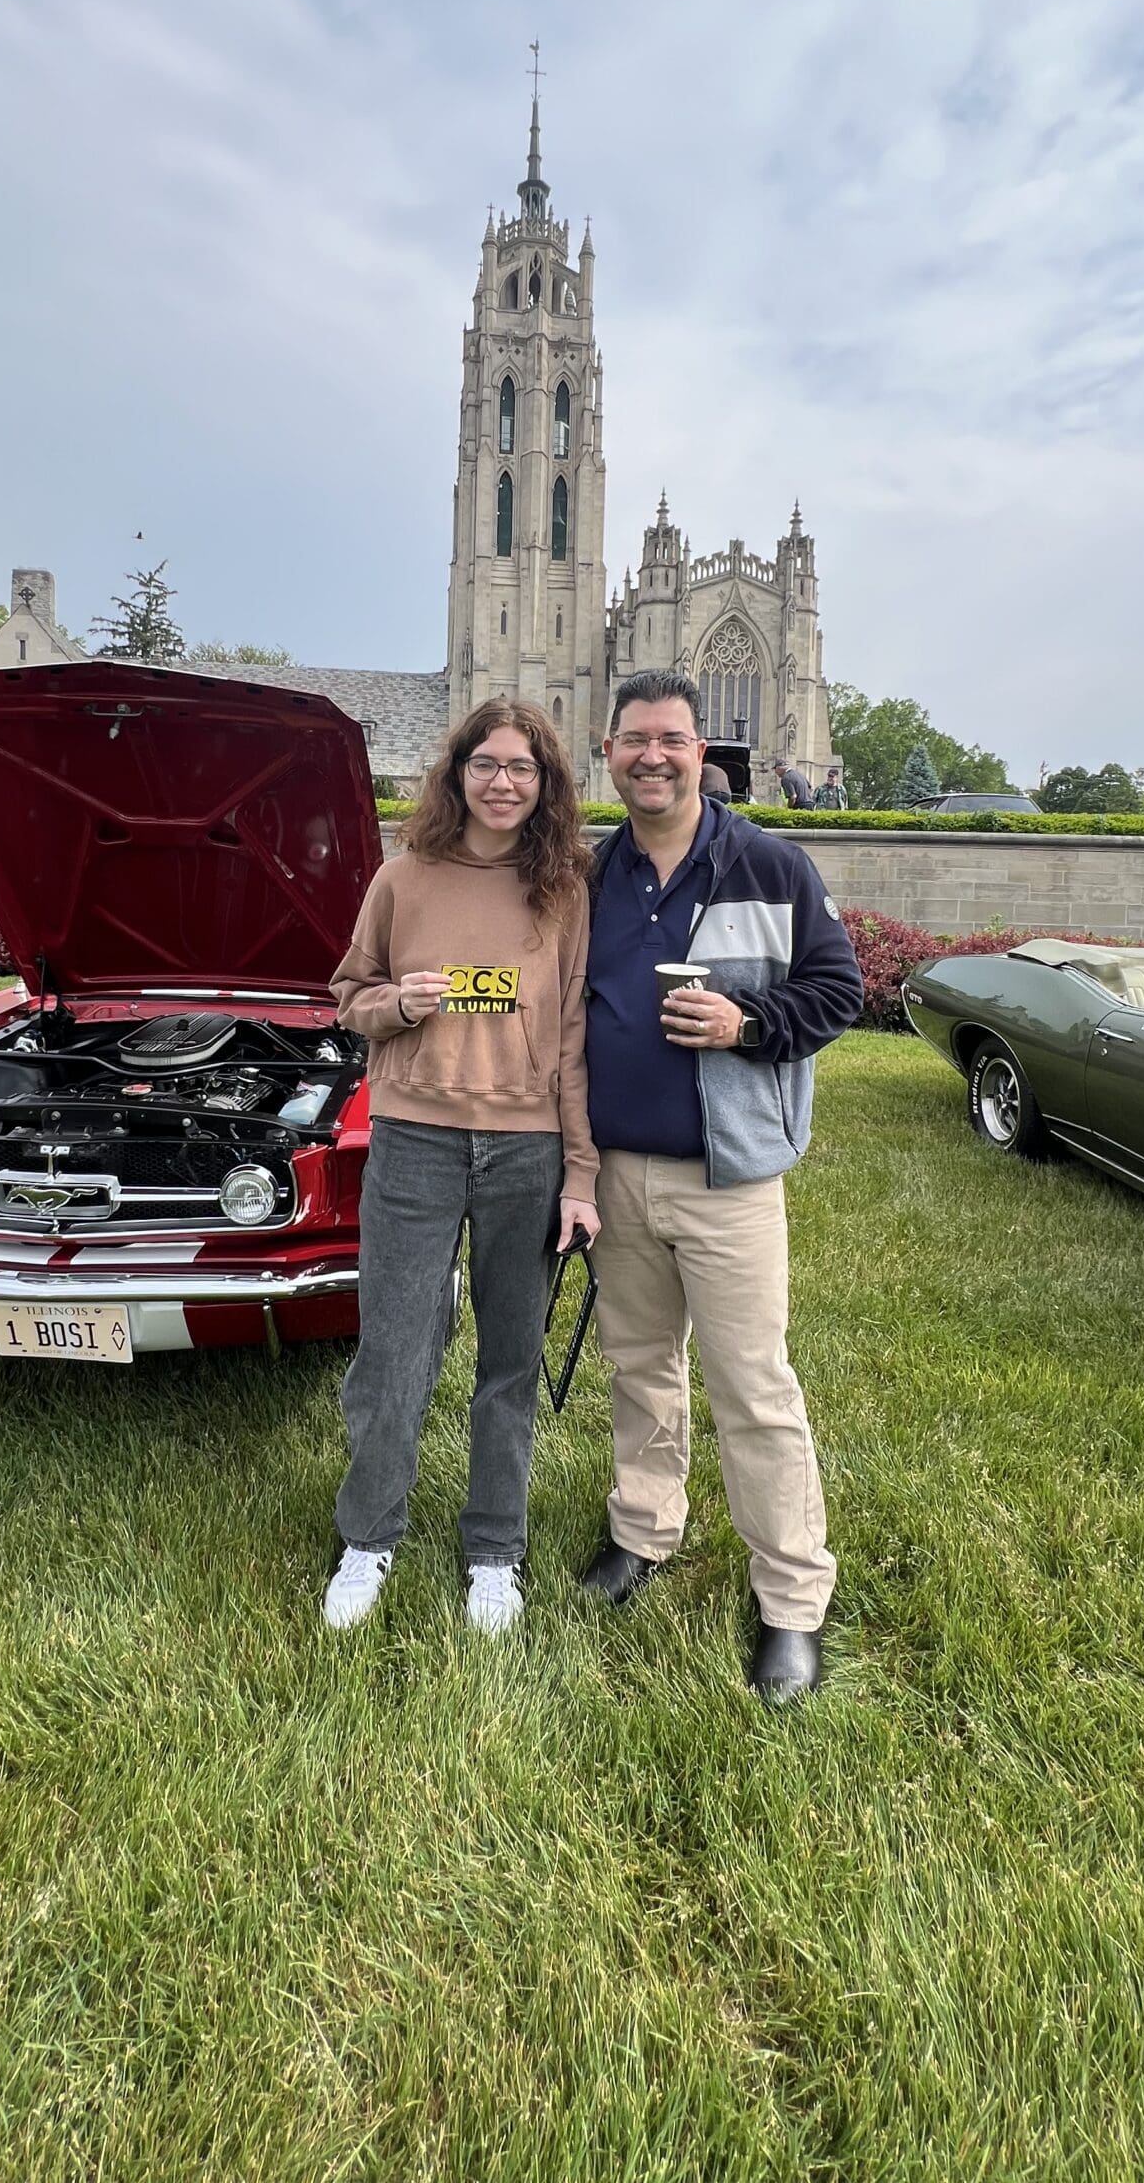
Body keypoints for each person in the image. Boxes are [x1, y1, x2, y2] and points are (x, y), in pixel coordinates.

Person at [578, 670, 864, 1703]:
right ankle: (642, 1532)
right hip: (614, 1172)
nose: (652, 755)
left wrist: (746, 1024)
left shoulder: (768, 864)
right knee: (640, 1366)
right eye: (634, 739)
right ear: (608, 752)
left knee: (754, 1386)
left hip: (727, 1179)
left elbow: (841, 990)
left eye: (671, 739)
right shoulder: (591, 876)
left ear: (705, 752)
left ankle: (791, 1602)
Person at [324, 699, 599, 1637]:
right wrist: (397, 1002)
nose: (503, 782)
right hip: (416, 1141)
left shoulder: (564, 890)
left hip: (528, 1148)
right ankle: (368, 1537)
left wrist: (582, 1177)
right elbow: (346, 995)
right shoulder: (401, 880)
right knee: (394, 1350)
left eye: (524, 768)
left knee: (509, 1362)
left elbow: (571, 1040)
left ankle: (494, 1551)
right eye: (487, 763)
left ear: (545, 784)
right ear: (457, 772)